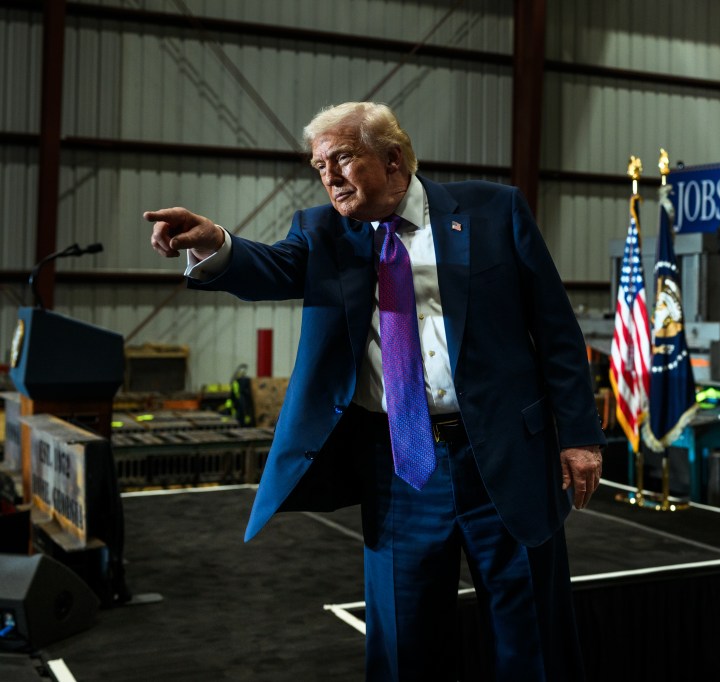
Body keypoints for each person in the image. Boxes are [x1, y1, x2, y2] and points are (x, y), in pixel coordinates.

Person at [145, 101, 605, 681]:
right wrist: (215, 242)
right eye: (319, 166)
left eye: (340, 158)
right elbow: (268, 267)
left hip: (508, 461)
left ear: (391, 160)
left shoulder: (493, 211)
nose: (328, 176)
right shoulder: (322, 233)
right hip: (401, 469)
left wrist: (581, 437)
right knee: (403, 648)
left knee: (531, 641)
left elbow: (557, 330)